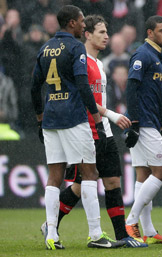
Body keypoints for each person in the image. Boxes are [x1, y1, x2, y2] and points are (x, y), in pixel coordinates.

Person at [42, 14, 146, 248]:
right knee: (81, 185)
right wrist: (111, 114)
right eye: (101, 32)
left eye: (107, 32)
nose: (107, 36)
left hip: (104, 131)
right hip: (84, 131)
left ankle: (121, 236)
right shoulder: (80, 61)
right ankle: (53, 225)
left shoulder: (100, 63)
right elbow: (83, 96)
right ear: (87, 34)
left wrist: (108, 120)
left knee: (112, 182)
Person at [31, 5, 125, 249]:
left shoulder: (45, 48)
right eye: (82, 21)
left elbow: (33, 88)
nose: (84, 25)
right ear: (71, 23)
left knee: (54, 177)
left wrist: (40, 119)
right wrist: (96, 118)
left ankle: (51, 234)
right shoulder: (75, 48)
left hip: (51, 118)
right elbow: (83, 86)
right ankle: (96, 235)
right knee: (90, 174)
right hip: (73, 118)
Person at [123, 15, 162, 244]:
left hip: (152, 122)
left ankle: (149, 231)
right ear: (150, 33)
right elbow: (131, 87)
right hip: (143, 123)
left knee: (143, 175)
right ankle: (131, 221)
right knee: (161, 173)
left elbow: (156, 97)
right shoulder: (142, 54)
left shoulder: (159, 58)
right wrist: (133, 122)